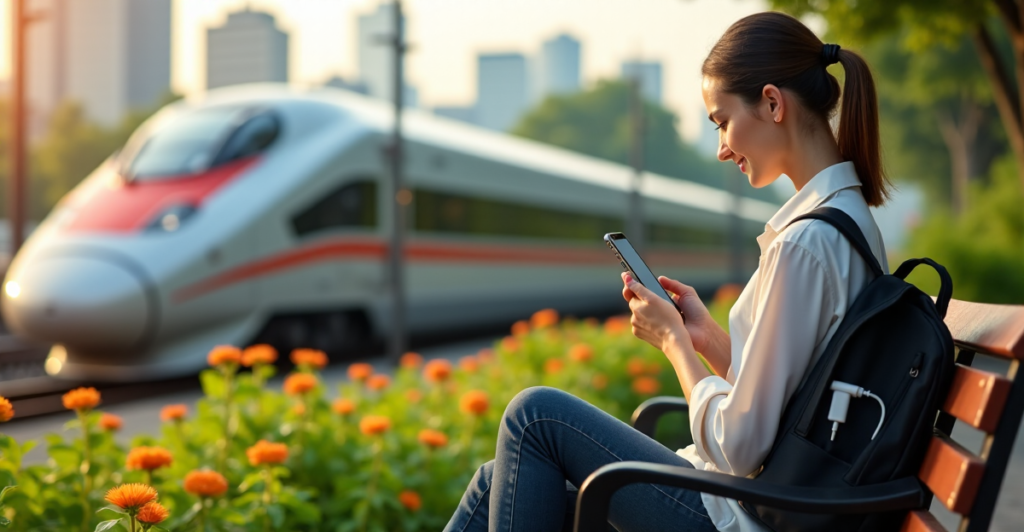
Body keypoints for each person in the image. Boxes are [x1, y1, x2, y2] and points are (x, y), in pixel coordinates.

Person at [443, 11, 891, 532]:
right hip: (769, 498)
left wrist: (675, 344)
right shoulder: (846, 221)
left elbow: (742, 446)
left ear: (772, 103)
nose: (722, 148)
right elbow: (796, 399)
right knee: (496, 479)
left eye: (722, 121)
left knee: (534, 414)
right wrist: (708, 341)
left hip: (738, 512)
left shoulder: (807, 243)